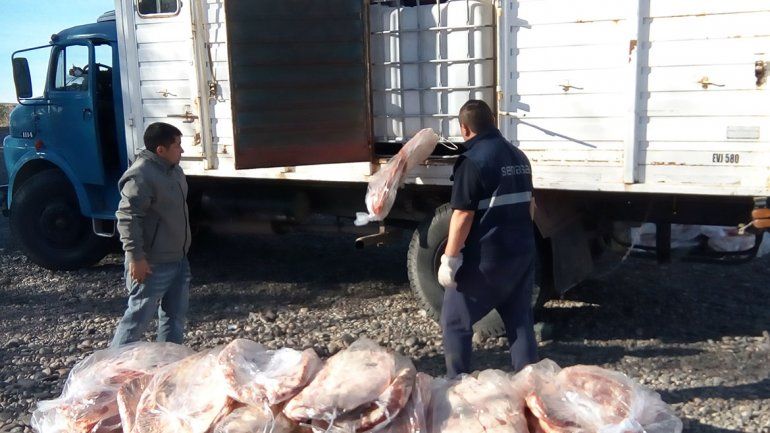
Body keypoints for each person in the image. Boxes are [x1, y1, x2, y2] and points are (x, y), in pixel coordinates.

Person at [437, 100, 538, 378]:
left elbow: (462, 216)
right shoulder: (519, 157)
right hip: (521, 252)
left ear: (464, 128)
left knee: (455, 321)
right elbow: (531, 206)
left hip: (487, 258)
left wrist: (450, 258)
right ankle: (530, 390)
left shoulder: (472, 161)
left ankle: (456, 384)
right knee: (519, 322)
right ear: (494, 122)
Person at [111, 122, 191, 347]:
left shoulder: (173, 170)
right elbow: (127, 218)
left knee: (174, 319)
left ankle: (167, 368)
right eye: (177, 145)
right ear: (160, 150)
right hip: (152, 264)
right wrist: (136, 258)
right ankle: (111, 373)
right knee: (137, 320)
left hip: (178, 259)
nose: (181, 150)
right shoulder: (141, 175)